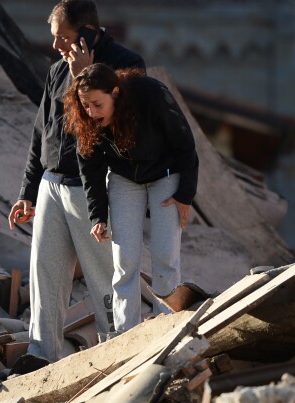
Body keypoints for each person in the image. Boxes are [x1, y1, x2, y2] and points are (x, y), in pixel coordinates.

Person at [8, 0, 145, 362]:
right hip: (51, 186)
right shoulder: (56, 70)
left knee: (105, 279)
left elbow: (122, 133)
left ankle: (113, 354)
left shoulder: (127, 67)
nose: (54, 45)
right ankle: (40, 354)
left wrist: (82, 78)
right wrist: (27, 192)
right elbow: (41, 134)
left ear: (86, 33)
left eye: (61, 36)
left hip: (95, 190)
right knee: (44, 275)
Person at [63, 63, 198, 333]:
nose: (91, 113)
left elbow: (185, 143)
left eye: (97, 104)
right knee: (124, 261)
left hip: (165, 176)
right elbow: (90, 170)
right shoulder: (89, 120)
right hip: (125, 179)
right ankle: (125, 335)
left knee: (164, 256)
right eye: (85, 106)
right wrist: (98, 215)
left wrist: (185, 195)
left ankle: (167, 329)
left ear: (115, 92)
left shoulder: (150, 94)